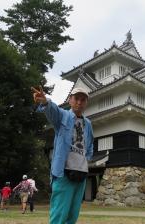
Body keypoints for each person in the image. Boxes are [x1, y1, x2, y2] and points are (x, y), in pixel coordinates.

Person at [33, 86, 93, 224]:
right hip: (63, 173)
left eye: (83, 100)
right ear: (70, 100)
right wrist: (45, 101)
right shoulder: (63, 115)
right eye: (76, 98)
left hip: (81, 173)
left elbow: (89, 144)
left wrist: (87, 159)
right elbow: (52, 110)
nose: (79, 102)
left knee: (72, 216)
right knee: (59, 215)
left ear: (86, 103)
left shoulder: (88, 123)